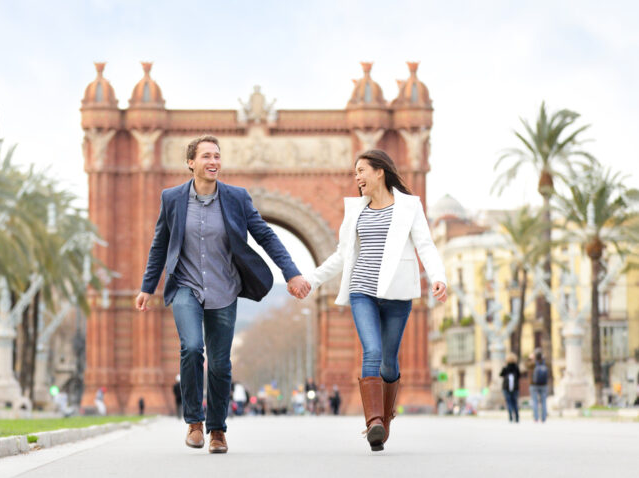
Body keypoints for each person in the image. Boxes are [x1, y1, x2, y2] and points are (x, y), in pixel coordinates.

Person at [136, 135, 310, 454]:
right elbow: (160, 244)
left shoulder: (236, 198)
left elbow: (266, 236)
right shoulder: (172, 199)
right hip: (185, 286)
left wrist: (292, 272)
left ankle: (217, 430)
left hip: (223, 288)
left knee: (219, 363)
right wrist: (148, 288)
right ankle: (194, 422)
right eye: (206, 156)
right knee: (191, 348)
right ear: (191, 162)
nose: (213, 161)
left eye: (217, 156)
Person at [305, 149, 447, 452]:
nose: (356, 177)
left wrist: (439, 277)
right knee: (371, 351)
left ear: (379, 171)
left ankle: (385, 417)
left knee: (388, 362)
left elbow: (426, 244)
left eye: (361, 171)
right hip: (362, 291)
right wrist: (312, 279)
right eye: (355, 172)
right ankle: (374, 423)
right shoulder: (356, 209)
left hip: (396, 294)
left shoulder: (409, 206)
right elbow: (342, 254)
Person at [500, 353, 521, 423]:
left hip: (506, 387)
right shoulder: (516, 367)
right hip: (515, 387)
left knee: (509, 402)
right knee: (515, 402)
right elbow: (519, 376)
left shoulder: (506, 367)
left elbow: (501, 374)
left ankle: (510, 417)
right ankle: (517, 417)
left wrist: (504, 367)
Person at [530, 350, 548, 423]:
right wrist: (543, 359)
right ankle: (543, 418)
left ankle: (536, 418)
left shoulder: (533, 364)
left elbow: (526, 366)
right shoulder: (545, 363)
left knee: (535, 401)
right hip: (544, 384)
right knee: (543, 401)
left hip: (534, 384)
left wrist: (530, 358)